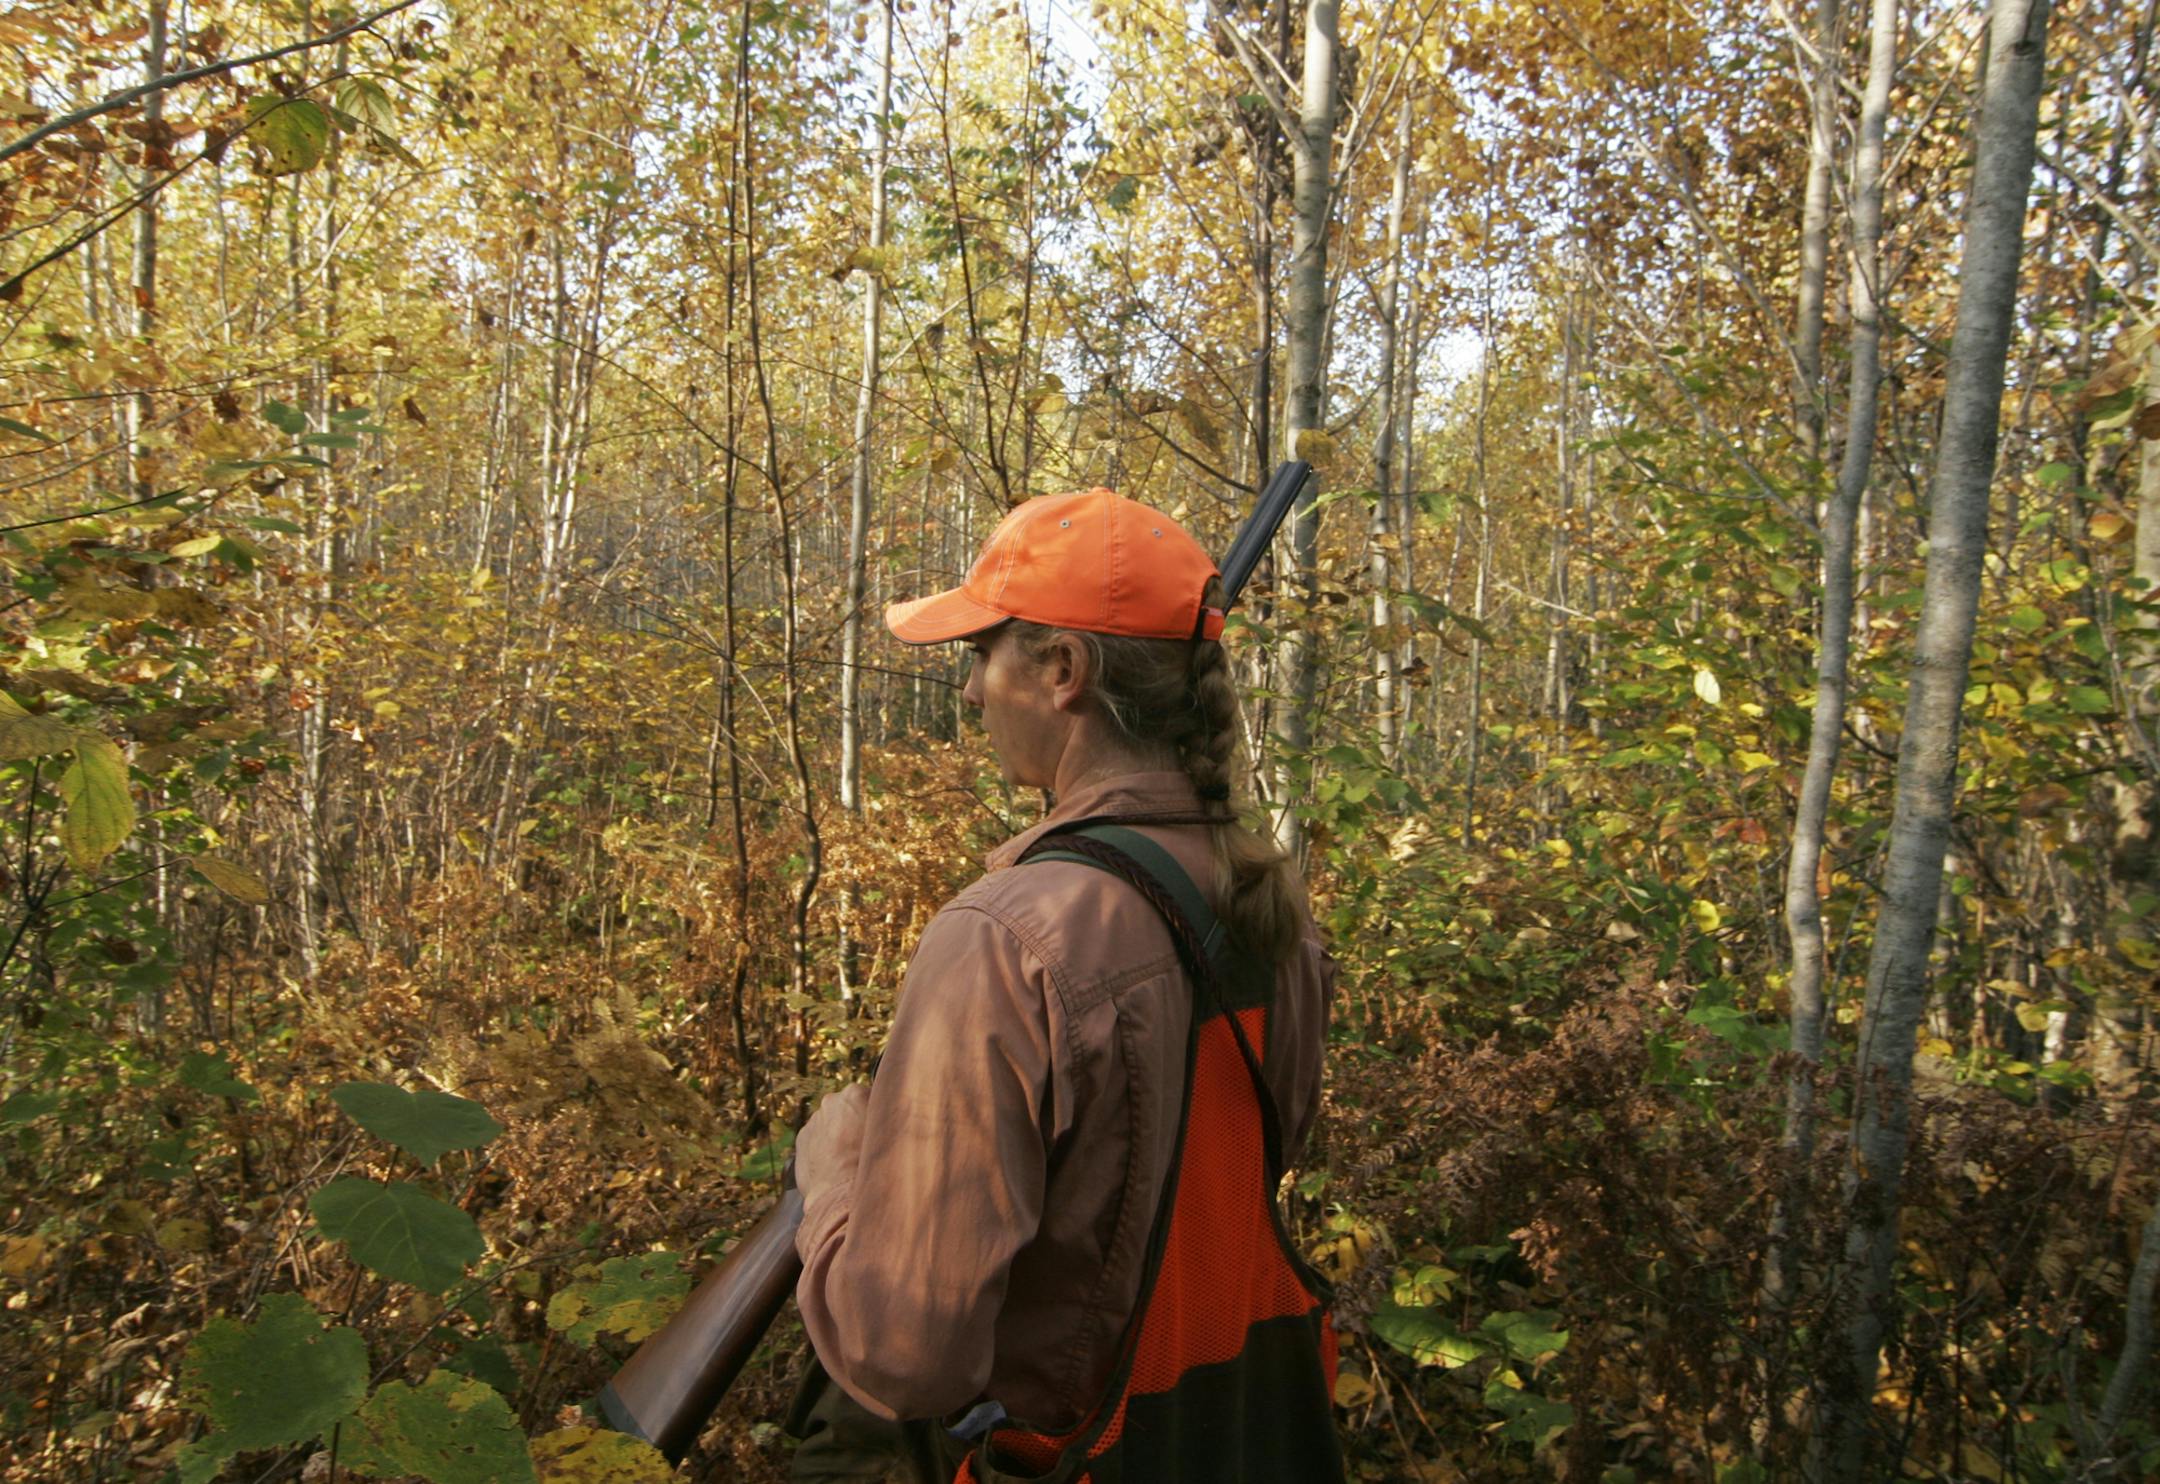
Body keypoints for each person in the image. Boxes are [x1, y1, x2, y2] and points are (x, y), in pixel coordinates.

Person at [787, 487, 1343, 1483]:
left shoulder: (1005, 941)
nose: (968, 693)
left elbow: (905, 1354)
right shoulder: (1274, 913)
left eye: (978, 655)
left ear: (1061, 670)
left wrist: (831, 1181)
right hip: (1236, 1436)